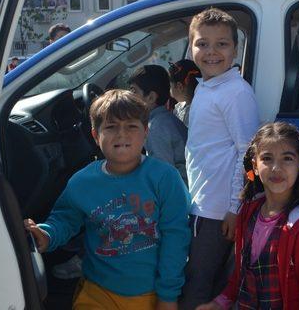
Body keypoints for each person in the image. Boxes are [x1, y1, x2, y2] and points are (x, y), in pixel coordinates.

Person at [25, 89, 190, 310]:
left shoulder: (165, 178)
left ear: (146, 133)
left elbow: (176, 238)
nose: (122, 134)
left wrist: (168, 295)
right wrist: (46, 234)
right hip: (97, 290)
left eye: (131, 126)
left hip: (150, 293)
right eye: (111, 127)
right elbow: (64, 220)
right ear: (95, 135)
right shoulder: (82, 182)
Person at [196, 122, 299, 309]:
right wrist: (220, 303)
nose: (276, 168)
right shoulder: (248, 212)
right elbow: (240, 275)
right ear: (255, 167)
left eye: (288, 158)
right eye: (267, 158)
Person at [180, 8, 260, 309]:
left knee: (199, 285)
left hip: (218, 211)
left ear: (235, 49)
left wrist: (235, 208)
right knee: (198, 278)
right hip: (203, 203)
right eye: (202, 43)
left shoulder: (236, 92)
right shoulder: (207, 86)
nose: (211, 52)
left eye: (222, 44)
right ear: (191, 48)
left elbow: (249, 155)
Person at [129, 65, 188, 185]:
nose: (129, 96)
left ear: (150, 97)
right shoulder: (164, 119)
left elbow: (163, 176)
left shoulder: (156, 128)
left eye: (134, 91)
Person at [168, 59, 201, 127]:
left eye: (170, 86)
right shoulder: (179, 107)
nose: (169, 89)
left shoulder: (195, 114)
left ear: (179, 87)